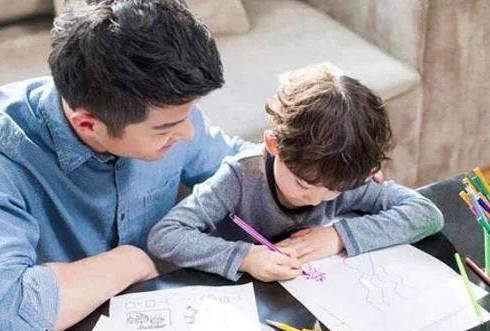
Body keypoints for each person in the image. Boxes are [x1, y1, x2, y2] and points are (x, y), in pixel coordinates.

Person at [0, 0, 250, 331]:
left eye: (190, 114)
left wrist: (301, 204)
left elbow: (245, 169)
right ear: (87, 124)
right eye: (165, 129)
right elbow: (7, 316)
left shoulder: (163, 107)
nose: (189, 133)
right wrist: (130, 261)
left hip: (139, 325)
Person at [148, 64, 444, 282]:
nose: (316, 200)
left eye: (333, 191)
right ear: (273, 145)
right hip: (241, 296)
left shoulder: (342, 176)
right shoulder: (239, 177)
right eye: (303, 184)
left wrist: (338, 236)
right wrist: (245, 257)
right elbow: (165, 235)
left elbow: (427, 214)